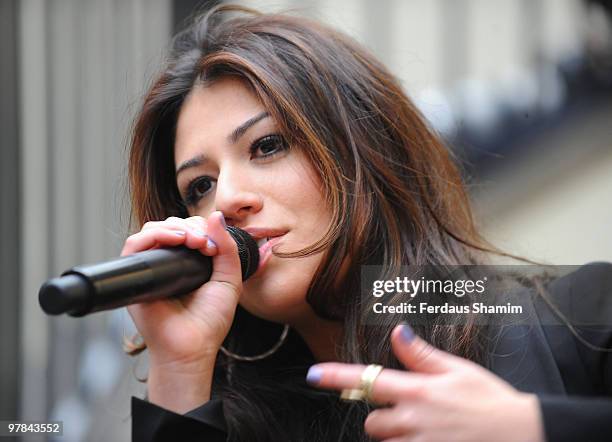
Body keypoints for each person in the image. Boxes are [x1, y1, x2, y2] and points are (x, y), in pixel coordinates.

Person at [122, 5, 612, 441]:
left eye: (267, 145)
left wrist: (532, 428)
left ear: (363, 151)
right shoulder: (229, 421)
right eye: (199, 187)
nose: (225, 200)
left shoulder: (581, 317)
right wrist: (180, 371)